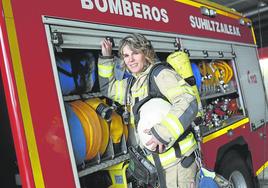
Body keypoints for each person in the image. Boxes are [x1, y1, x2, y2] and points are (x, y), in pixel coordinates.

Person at [98, 33, 198, 188]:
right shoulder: (132, 84)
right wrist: (106, 58)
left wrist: (162, 133)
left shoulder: (160, 74)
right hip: (160, 166)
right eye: (126, 55)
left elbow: (188, 101)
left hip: (178, 163)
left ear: (146, 53)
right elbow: (108, 89)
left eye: (135, 53)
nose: (130, 59)